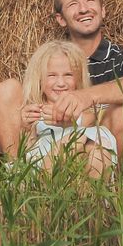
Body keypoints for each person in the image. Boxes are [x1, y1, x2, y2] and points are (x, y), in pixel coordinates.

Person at [0, 0, 123, 166]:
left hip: (99, 151)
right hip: (50, 151)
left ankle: (117, 186)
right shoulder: (51, 61)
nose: (83, 9)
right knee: (6, 89)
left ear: (103, 10)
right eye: (73, 4)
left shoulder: (122, 57)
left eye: (90, 1)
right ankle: (15, 174)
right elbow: (9, 127)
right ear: (61, 19)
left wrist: (85, 98)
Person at [19, 40, 116, 179]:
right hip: (45, 162)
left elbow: (87, 121)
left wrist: (68, 119)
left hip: (82, 157)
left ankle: (92, 196)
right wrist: (26, 128)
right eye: (51, 75)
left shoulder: (88, 109)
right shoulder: (34, 110)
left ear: (79, 78)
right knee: (77, 138)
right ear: (39, 78)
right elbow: (27, 152)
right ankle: (45, 186)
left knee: (97, 148)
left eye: (68, 75)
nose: (61, 83)